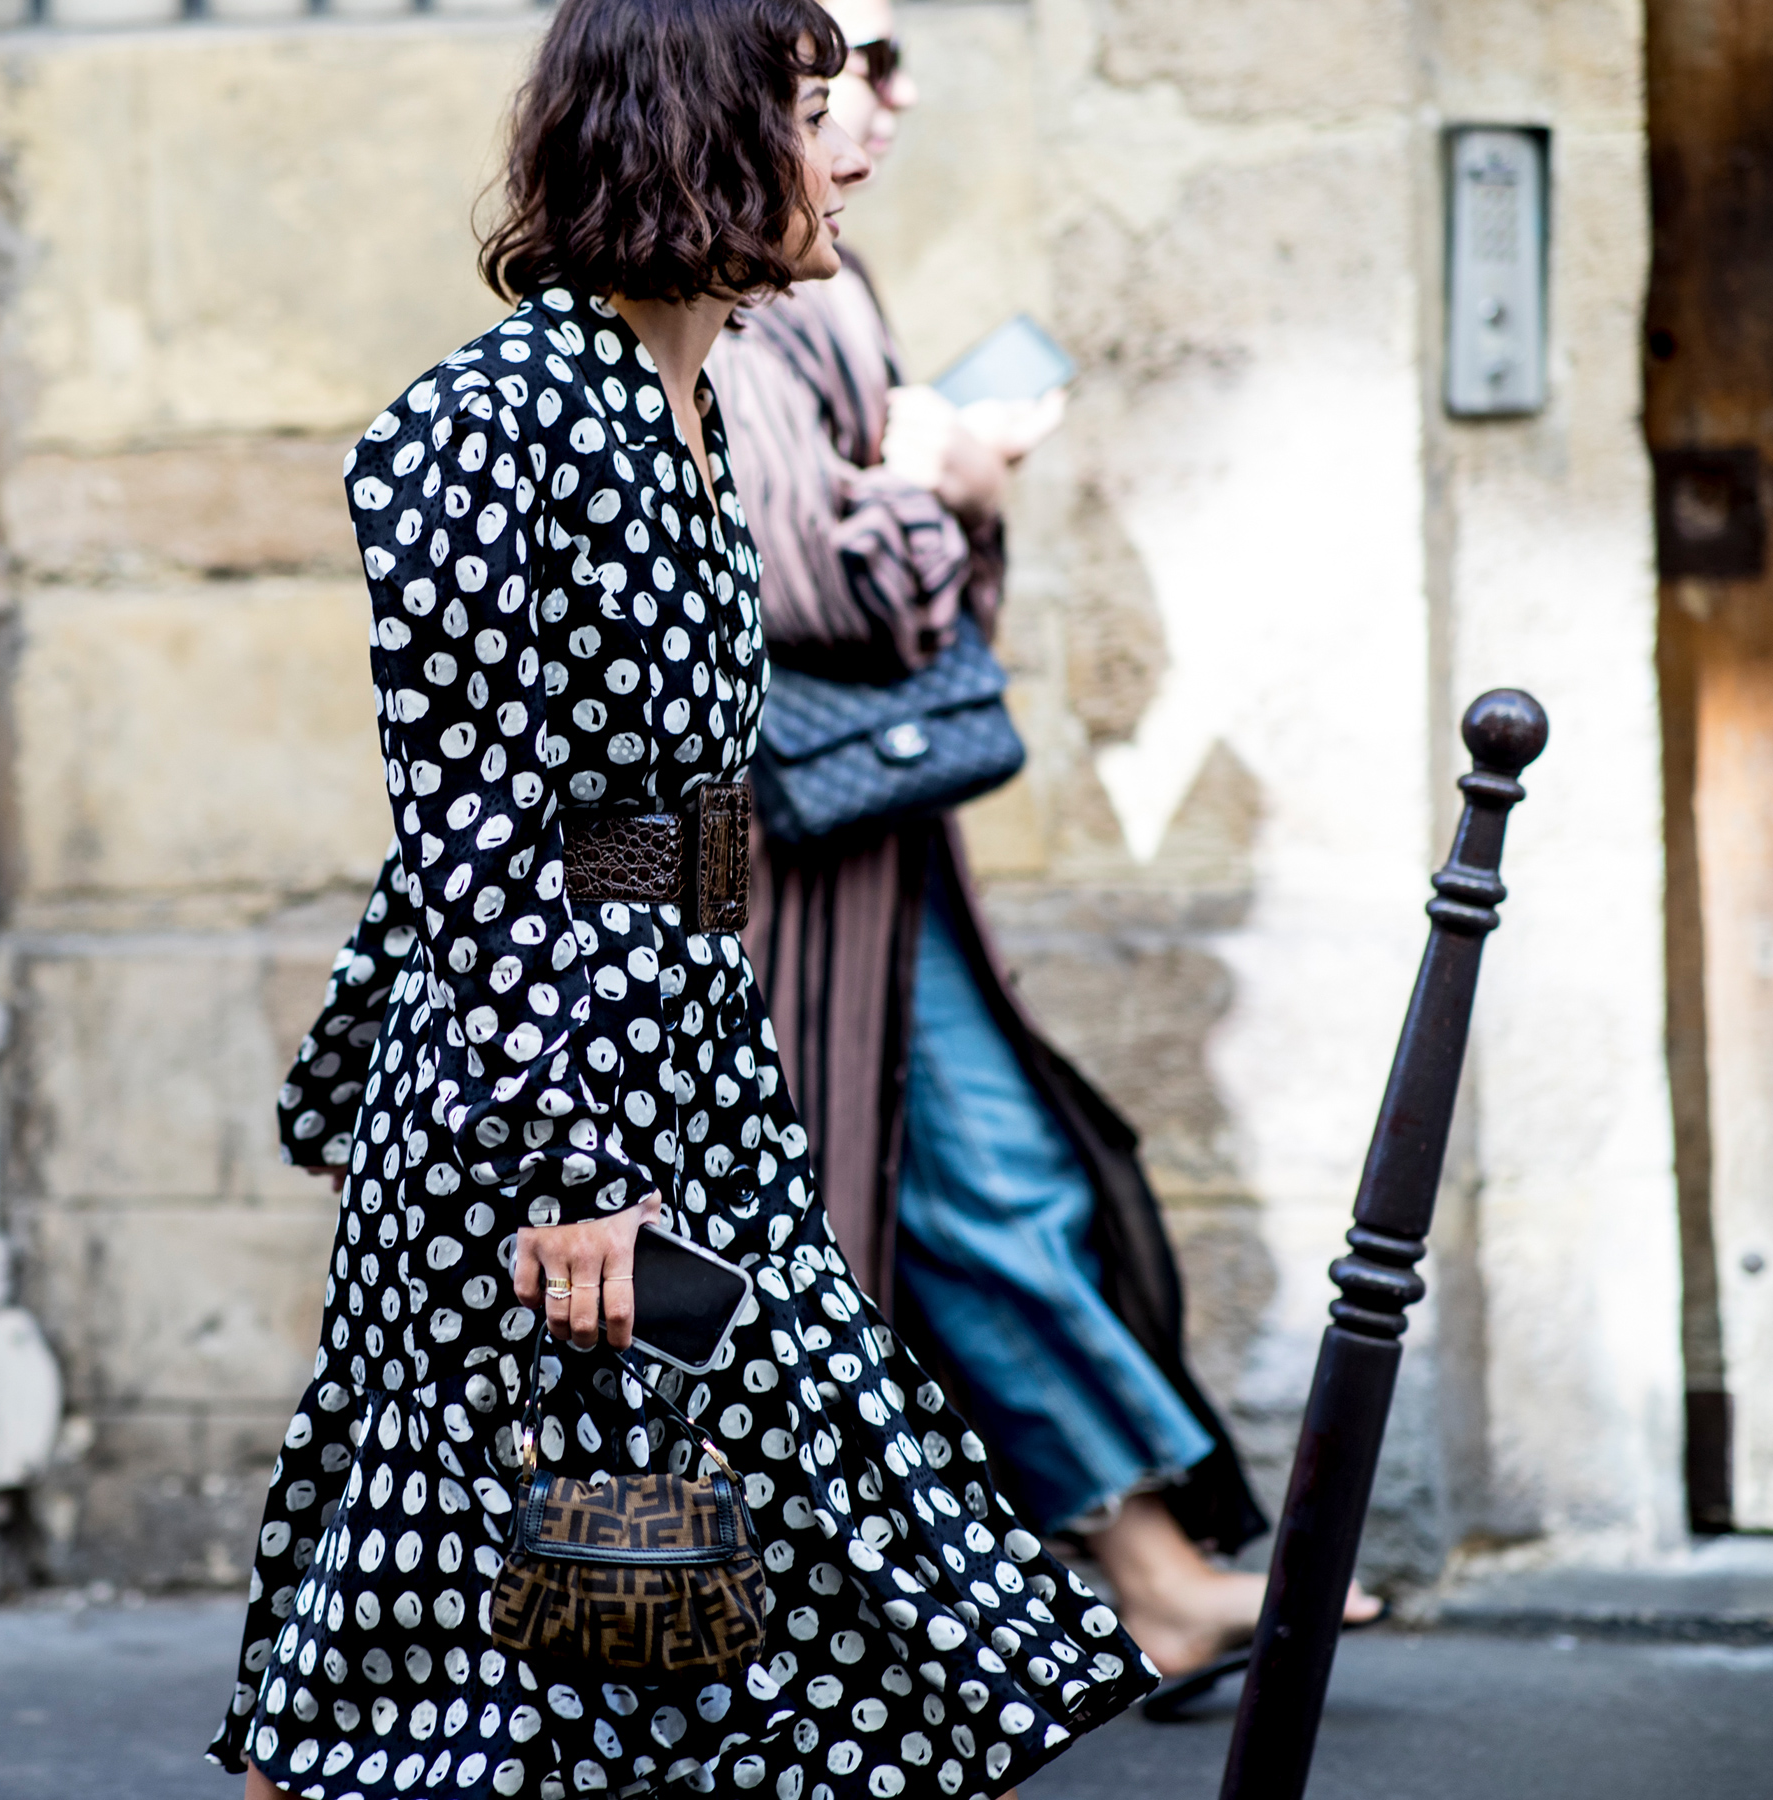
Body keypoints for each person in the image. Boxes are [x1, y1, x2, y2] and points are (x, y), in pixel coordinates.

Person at [211, 4, 1159, 1796]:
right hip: (552, 1104)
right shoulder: (488, 423)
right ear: (698, 135)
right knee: (451, 1613)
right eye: (811, 109)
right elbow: (484, 830)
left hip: (691, 1056)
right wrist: (571, 1165)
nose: (854, 146)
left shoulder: (691, 403)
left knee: (688, 1572)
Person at [705, 0, 1379, 1680]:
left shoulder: (823, 279)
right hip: (789, 875)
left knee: (968, 1189)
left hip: (866, 852)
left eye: (883, 62)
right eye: (846, 67)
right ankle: (1080, 1592)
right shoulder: (740, 305)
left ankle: (1121, 1579)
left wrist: (938, 480)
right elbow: (804, 582)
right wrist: (955, 482)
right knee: (914, 1206)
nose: (883, 100)